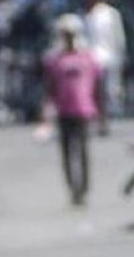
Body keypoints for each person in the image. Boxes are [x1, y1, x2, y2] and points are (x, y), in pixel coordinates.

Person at [43, 14, 103, 206]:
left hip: (83, 111)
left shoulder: (88, 57)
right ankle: (72, 189)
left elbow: (98, 86)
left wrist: (102, 113)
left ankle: (84, 188)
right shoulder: (55, 60)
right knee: (67, 153)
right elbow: (50, 87)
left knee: (83, 151)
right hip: (64, 111)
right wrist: (47, 110)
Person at [83, 0, 126, 135]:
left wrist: (121, 56)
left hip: (108, 58)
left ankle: (104, 121)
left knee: (106, 92)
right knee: (99, 92)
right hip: (96, 59)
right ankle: (101, 121)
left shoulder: (111, 14)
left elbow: (119, 38)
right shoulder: (89, 16)